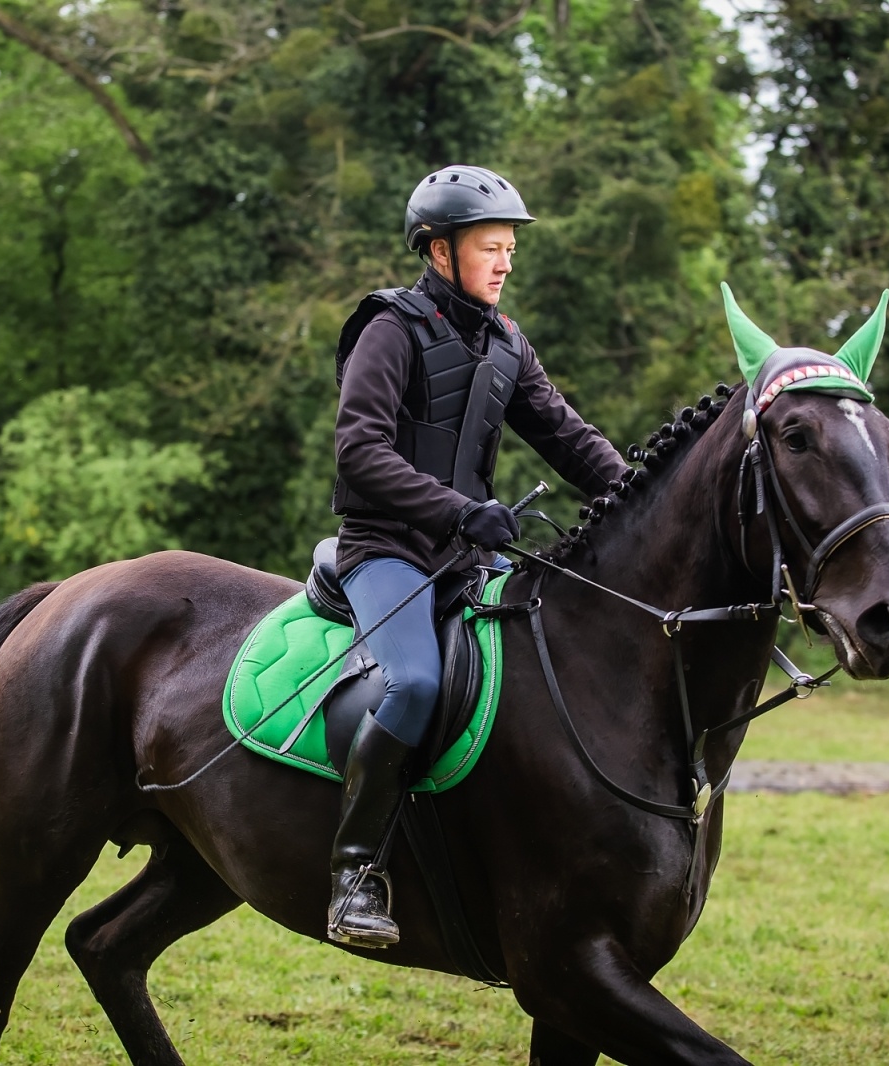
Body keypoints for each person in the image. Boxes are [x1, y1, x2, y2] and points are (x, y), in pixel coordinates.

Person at [328, 165, 632, 946]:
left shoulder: (505, 342)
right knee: (416, 682)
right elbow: (360, 452)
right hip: (385, 552)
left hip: (465, 560)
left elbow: (567, 436)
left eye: (509, 250)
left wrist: (642, 495)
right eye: (490, 247)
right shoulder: (388, 329)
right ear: (438, 250)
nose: (504, 262)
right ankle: (356, 873)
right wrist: (462, 510)